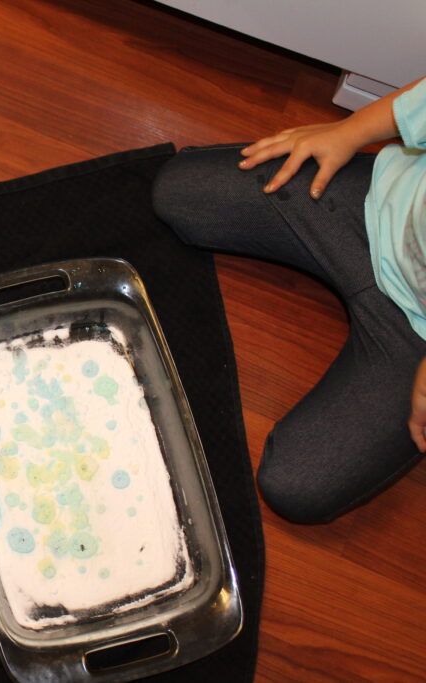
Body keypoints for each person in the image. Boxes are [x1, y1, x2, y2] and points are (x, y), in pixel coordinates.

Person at [152, 76, 425, 523]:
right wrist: (348, 131)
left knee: (297, 485)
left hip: (413, 342)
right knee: (180, 194)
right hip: (376, 208)